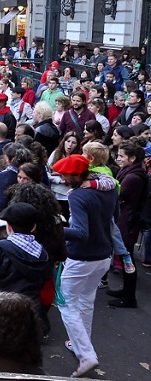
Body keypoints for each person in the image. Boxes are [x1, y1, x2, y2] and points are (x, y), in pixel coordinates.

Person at [51, 154, 117, 378]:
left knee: (66, 305)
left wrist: (55, 228)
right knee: (86, 302)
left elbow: (80, 233)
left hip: (81, 258)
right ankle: (81, 345)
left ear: (78, 175)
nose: (61, 178)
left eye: (65, 175)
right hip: (103, 256)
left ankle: (86, 354)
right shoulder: (107, 188)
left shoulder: (78, 196)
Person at [107, 141, 146, 308]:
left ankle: (130, 297)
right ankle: (125, 291)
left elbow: (118, 193)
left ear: (132, 158)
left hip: (127, 222)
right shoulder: (131, 172)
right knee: (125, 258)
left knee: (127, 257)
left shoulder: (132, 177)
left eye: (122, 156)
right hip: (126, 220)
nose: (118, 158)